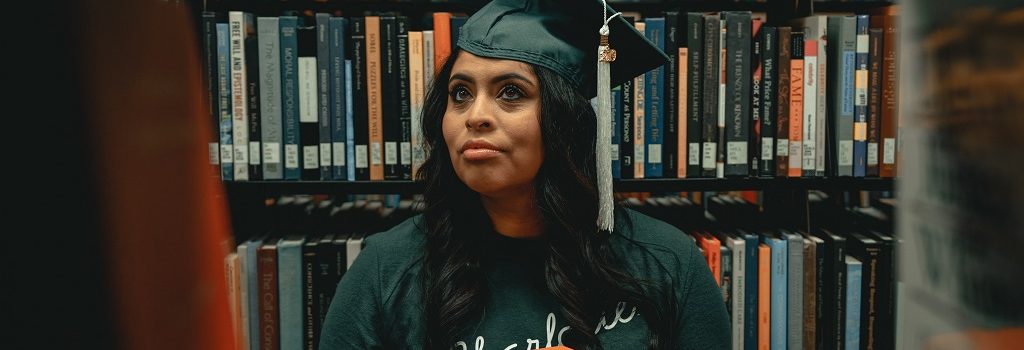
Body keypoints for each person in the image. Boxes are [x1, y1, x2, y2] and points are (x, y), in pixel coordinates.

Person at [319, 0, 730, 348]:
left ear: (565, 122)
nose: (475, 116)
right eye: (460, 93)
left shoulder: (666, 262)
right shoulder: (386, 269)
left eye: (511, 92)